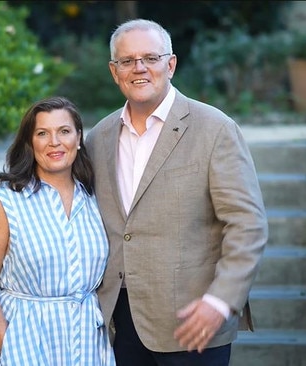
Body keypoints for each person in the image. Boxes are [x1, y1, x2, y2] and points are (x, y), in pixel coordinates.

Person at [84, 19, 269, 366]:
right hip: (118, 323)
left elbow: (248, 225)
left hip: (194, 320)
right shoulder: (99, 137)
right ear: (114, 71)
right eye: (127, 61)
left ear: (171, 65)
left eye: (150, 58)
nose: (139, 68)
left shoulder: (215, 129)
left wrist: (220, 300)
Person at [0, 96, 116, 366]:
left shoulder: (96, 199)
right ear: (30, 142)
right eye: (42, 133)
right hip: (28, 346)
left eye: (64, 131)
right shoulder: (5, 204)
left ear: (79, 137)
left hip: (91, 346)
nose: (54, 142)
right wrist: (11, 348)